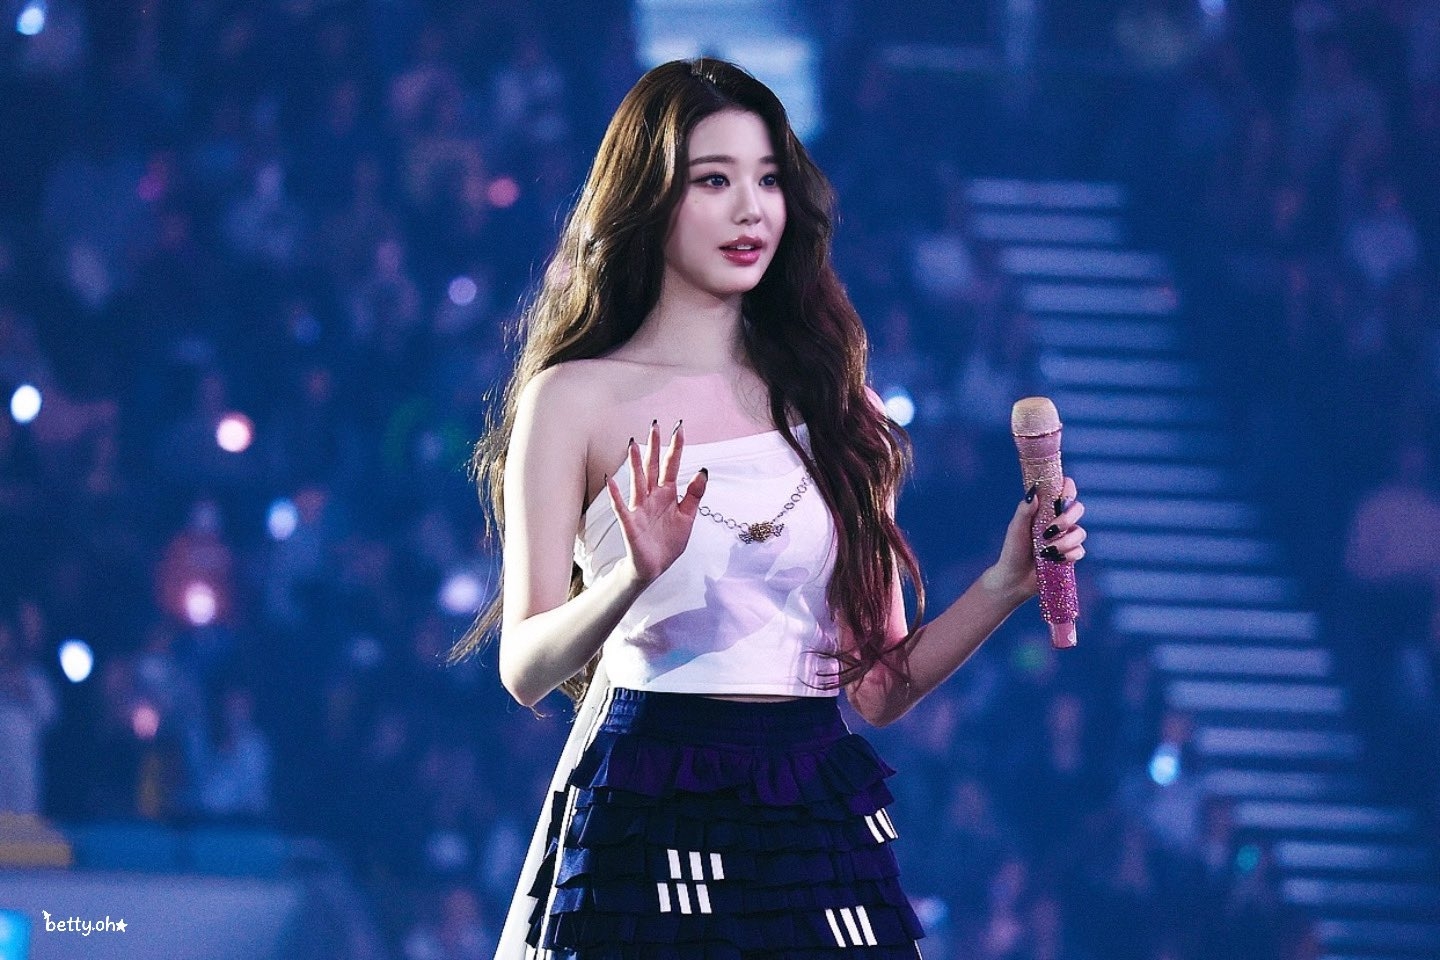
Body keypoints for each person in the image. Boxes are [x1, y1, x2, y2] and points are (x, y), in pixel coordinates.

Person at [449, 58, 1088, 960]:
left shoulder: (841, 408)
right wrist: (632, 577)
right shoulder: (573, 400)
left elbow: (880, 686)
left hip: (810, 812)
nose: (751, 209)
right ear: (651, 200)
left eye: (768, 180)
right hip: (648, 799)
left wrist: (1004, 585)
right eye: (715, 181)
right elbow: (524, 667)